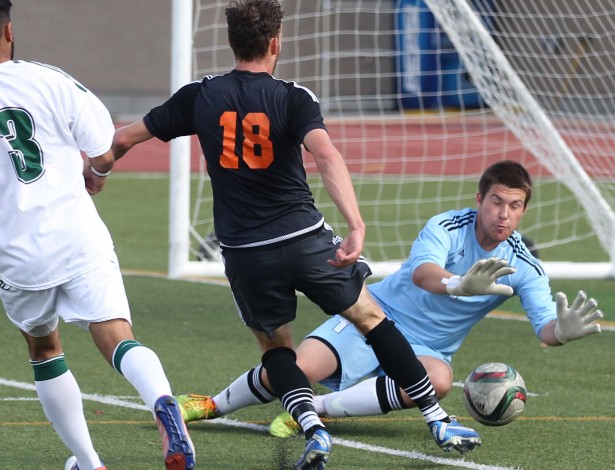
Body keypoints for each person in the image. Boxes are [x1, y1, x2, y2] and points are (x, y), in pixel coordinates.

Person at [111, 1, 479, 468]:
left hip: (246, 254)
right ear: (275, 43)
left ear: (231, 43)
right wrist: (357, 225)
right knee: (371, 318)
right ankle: (437, 418)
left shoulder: (199, 96)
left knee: (276, 349)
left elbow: (124, 139)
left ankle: (313, 429)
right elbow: (325, 155)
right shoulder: (292, 97)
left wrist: (99, 165)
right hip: (305, 241)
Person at [0, 2, 195, 469]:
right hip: (78, 233)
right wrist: (98, 171)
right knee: (115, 335)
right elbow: (102, 145)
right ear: (9, 31)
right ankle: (163, 403)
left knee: (44, 348)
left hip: (20, 251)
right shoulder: (50, 78)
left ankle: (89, 462)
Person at [174, 160, 605, 438]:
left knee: (437, 380)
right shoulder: (448, 226)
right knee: (297, 369)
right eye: (496, 202)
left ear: (524, 210)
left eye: (514, 206)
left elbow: (545, 330)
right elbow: (423, 273)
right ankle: (210, 404)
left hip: (427, 349)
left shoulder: (525, 265)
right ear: (480, 200)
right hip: (373, 317)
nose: (504, 214)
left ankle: (316, 410)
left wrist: (561, 332)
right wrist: (458, 284)